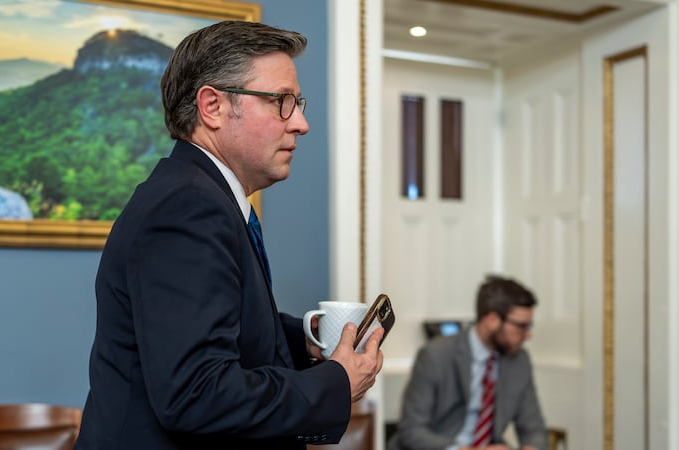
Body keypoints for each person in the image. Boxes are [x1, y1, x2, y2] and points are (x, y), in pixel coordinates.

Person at [74, 20, 384, 450]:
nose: (301, 123)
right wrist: (337, 383)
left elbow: (218, 325)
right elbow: (196, 392)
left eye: (298, 103)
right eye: (282, 102)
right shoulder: (188, 207)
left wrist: (309, 337)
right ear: (213, 106)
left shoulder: (200, 195)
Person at [388, 275, 547, 450]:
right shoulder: (435, 355)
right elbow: (411, 431)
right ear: (492, 320)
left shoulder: (519, 360)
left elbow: (534, 429)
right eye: (521, 326)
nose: (528, 334)